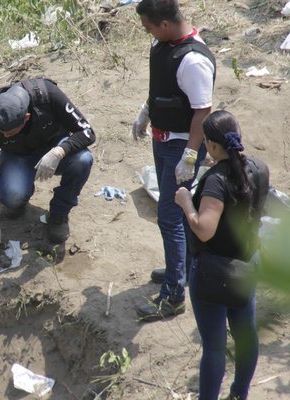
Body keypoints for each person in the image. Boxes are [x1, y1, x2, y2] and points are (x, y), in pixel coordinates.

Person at [175, 110, 269, 400]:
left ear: (212, 145)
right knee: (245, 334)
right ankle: (240, 393)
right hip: (247, 263)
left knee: (214, 348)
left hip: (214, 272)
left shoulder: (216, 181)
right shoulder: (258, 168)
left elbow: (204, 229)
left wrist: (186, 202)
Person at [133, 0, 215, 321]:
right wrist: (145, 112)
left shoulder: (193, 61)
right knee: (176, 215)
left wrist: (190, 156)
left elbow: (202, 111)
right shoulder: (165, 45)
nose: (147, 33)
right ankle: (179, 269)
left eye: (149, 27)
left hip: (181, 146)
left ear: (164, 24)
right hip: (163, 141)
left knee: (170, 217)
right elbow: (164, 86)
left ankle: (174, 296)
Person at [0, 78, 96, 251]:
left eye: (9, 132)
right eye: (0, 133)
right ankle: (18, 200)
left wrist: (60, 151)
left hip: (54, 146)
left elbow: (87, 132)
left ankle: (59, 215)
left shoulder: (48, 95)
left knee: (83, 160)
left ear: (26, 118)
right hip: (17, 156)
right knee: (12, 197)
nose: (3, 135)